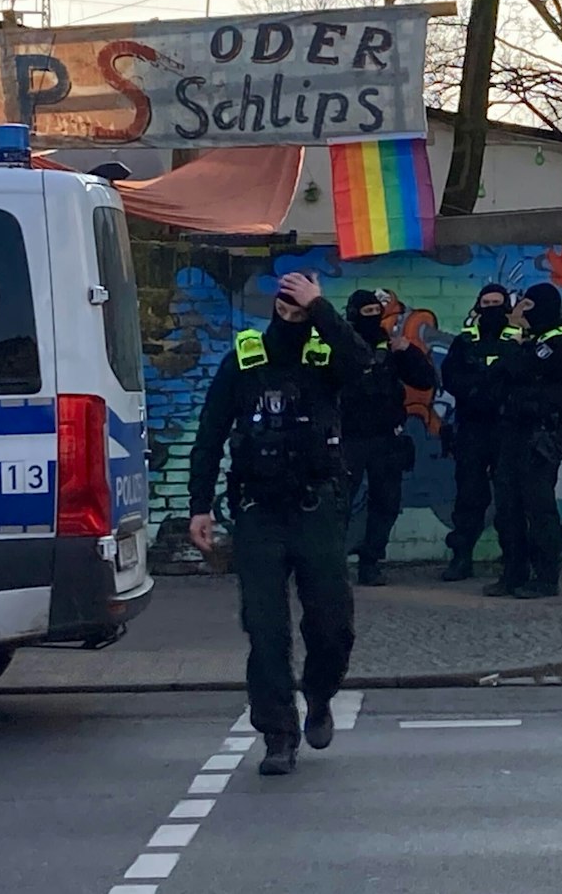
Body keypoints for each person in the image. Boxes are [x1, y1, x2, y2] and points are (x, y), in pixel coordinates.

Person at [187, 273, 369, 777]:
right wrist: (198, 505)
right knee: (266, 629)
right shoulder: (245, 361)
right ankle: (278, 735)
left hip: (317, 509)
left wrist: (323, 309)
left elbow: (363, 363)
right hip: (258, 511)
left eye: (301, 311)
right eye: (285, 310)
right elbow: (210, 433)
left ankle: (320, 693)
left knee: (331, 624)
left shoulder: (325, 358)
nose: (291, 318)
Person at [486, 283, 562, 599]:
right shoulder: (531, 341)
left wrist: (515, 340)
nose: (519, 311)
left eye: (527, 305)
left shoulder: (561, 342)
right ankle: (513, 573)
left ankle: (545, 576)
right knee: (508, 505)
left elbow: (517, 367)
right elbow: (500, 374)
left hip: (541, 433)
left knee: (538, 507)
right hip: (514, 430)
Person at [339, 289, 437, 587]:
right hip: (349, 439)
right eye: (364, 313)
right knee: (338, 504)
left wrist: (407, 351)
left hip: (386, 438)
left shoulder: (392, 347)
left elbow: (425, 380)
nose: (371, 318)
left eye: (374, 312)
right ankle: (328, 563)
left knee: (386, 503)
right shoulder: (340, 346)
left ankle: (371, 562)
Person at [439, 283, 517, 582]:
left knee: (510, 497)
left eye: (497, 302)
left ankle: (513, 558)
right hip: (472, 428)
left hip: (507, 427)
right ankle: (461, 558)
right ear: (478, 305)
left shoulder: (516, 339)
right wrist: (474, 390)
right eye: (486, 302)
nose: (492, 307)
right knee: (469, 496)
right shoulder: (465, 341)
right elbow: (449, 376)